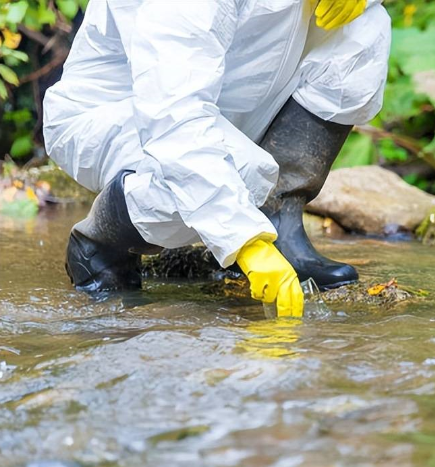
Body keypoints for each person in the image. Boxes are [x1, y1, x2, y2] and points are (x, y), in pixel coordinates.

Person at [42, 0, 391, 317]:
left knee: (364, 25)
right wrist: (244, 241)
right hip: (120, 113)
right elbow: (174, 118)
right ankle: (100, 243)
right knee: (238, 172)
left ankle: (278, 222)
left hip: (230, 104)